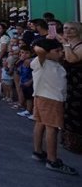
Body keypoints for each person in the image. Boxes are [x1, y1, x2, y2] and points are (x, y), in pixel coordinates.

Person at [30, 38, 78, 175]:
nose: (61, 53)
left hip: (43, 97)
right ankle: (52, 160)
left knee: (40, 123)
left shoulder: (52, 63)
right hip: (50, 99)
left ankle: (38, 151)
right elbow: (38, 49)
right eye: (57, 51)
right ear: (47, 53)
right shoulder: (42, 62)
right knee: (52, 128)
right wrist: (49, 41)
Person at [58, 22, 82, 154]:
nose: (68, 31)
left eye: (72, 28)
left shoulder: (79, 45)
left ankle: (76, 143)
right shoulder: (67, 44)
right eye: (66, 28)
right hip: (67, 83)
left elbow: (72, 59)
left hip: (78, 85)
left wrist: (65, 44)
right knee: (66, 112)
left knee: (76, 113)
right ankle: (68, 140)